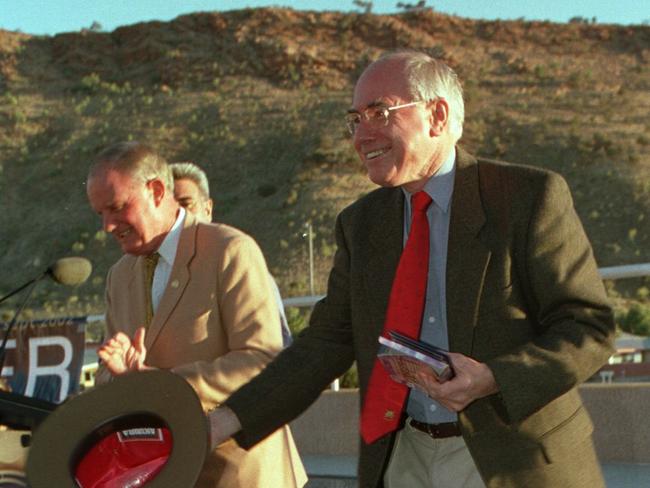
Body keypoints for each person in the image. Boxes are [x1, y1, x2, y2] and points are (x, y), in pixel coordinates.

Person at [207, 50, 615, 488]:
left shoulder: (528, 198)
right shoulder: (360, 224)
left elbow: (588, 327)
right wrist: (222, 422)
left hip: (511, 459)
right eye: (355, 119)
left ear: (437, 116)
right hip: (402, 457)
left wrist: (493, 378)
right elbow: (325, 343)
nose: (362, 135)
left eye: (379, 113)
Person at [86, 142, 306, 487]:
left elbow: (263, 361)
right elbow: (110, 371)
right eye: (100, 214)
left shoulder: (230, 251)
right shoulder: (119, 276)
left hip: (240, 474)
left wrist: (162, 383)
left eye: (115, 208)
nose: (107, 226)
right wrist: (120, 377)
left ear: (156, 190)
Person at [170, 161, 293, 346]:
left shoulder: (239, 265)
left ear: (208, 208)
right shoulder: (150, 276)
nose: (179, 216)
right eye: (170, 209)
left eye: (186, 205)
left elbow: (275, 346)